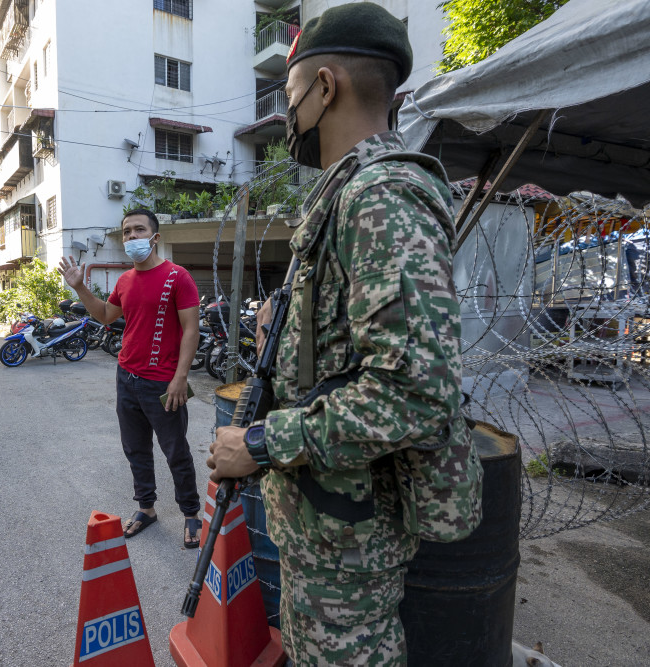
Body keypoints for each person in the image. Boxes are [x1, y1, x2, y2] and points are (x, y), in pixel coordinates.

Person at [206, 4, 483, 665]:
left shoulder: (379, 195)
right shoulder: (344, 194)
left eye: (290, 92)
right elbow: (350, 351)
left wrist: (262, 443)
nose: (287, 110)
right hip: (325, 528)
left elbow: (415, 392)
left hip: (349, 545)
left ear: (324, 86)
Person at [58, 209, 203, 548]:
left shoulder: (177, 277)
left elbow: (191, 330)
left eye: (139, 230)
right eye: (127, 232)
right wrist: (79, 287)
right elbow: (106, 316)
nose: (132, 236)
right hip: (127, 378)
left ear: (155, 237)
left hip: (163, 383)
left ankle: (191, 514)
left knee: (176, 451)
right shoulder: (124, 281)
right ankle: (146, 508)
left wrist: (180, 378)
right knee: (135, 449)